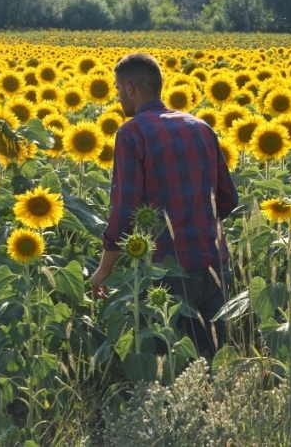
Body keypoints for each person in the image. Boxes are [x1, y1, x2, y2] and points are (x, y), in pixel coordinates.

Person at [91, 52, 239, 358]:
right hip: (214, 264)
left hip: (164, 272)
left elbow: (123, 212)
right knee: (218, 360)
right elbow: (228, 199)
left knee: (169, 362)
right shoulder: (201, 127)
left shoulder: (132, 133)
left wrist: (105, 269)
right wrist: (196, 222)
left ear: (130, 88)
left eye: (118, 90)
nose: (118, 97)